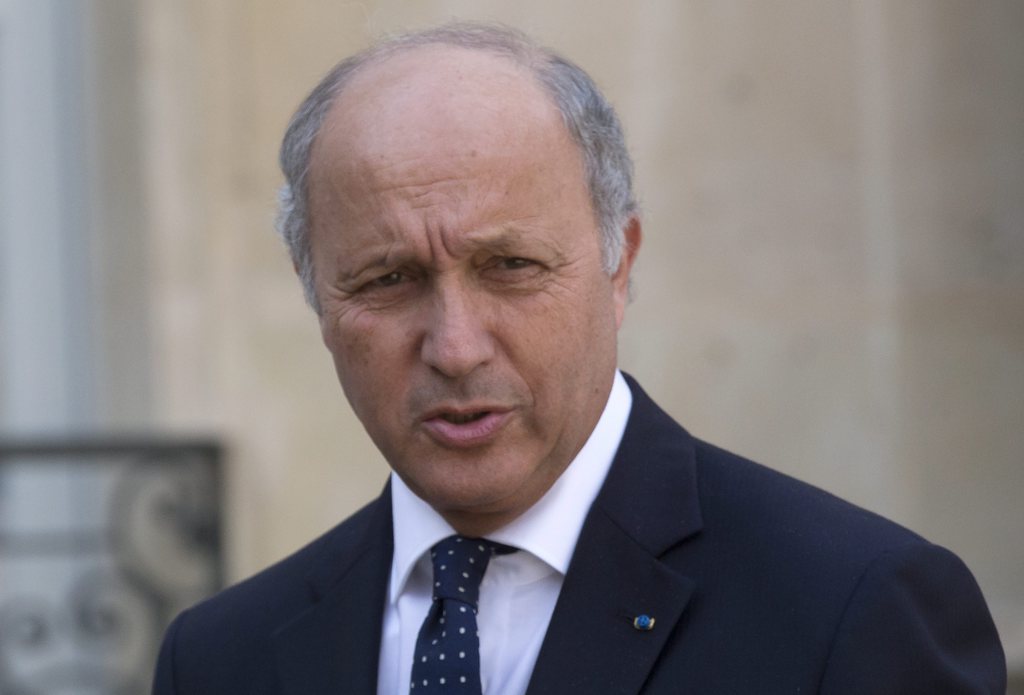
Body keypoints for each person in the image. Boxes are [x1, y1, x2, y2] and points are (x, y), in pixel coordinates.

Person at [152, 22, 1006, 694]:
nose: (455, 346)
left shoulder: (850, 612)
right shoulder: (222, 659)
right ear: (316, 294)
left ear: (619, 263)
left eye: (511, 267)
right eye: (388, 278)